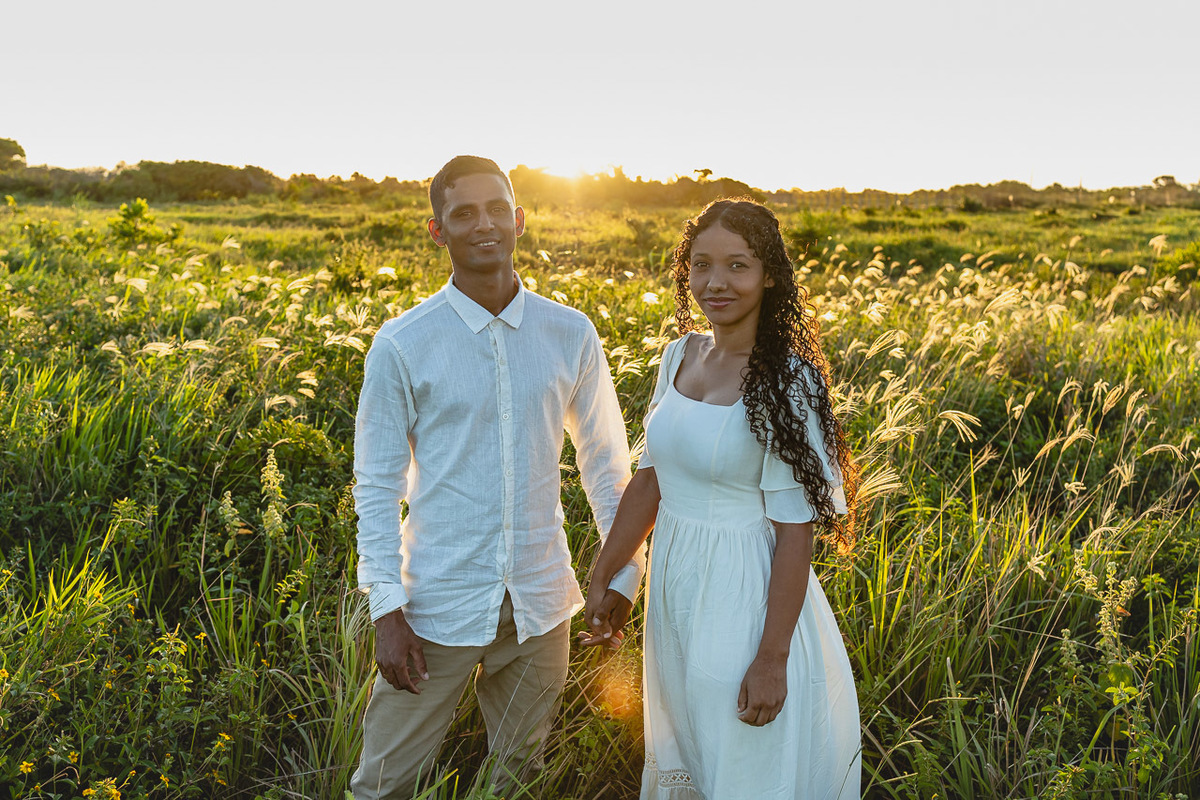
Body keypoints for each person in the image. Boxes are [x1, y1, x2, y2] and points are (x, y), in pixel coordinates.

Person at [351, 155, 645, 799]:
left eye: (495, 210)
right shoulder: (403, 344)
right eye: (463, 213)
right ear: (438, 231)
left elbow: (605, 464)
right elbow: (376, 487)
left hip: (542, 604)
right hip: (434, 606)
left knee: (516, 781)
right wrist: (386, 610)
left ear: (518, 219)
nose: (482, 225)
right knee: (383, 784)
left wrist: (623, 572)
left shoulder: (569, 332)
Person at [581, 199, 862, 799]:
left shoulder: (789, 380)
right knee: (688, 749)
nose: (716, 283)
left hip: (748, 597)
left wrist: (771, 658)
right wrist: (607, 574)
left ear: (769, 277)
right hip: (677, 590)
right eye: (702, 265)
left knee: (743, 764)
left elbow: (795, 531)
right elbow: (651, 481)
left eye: (738, 265)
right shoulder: (679, 356)